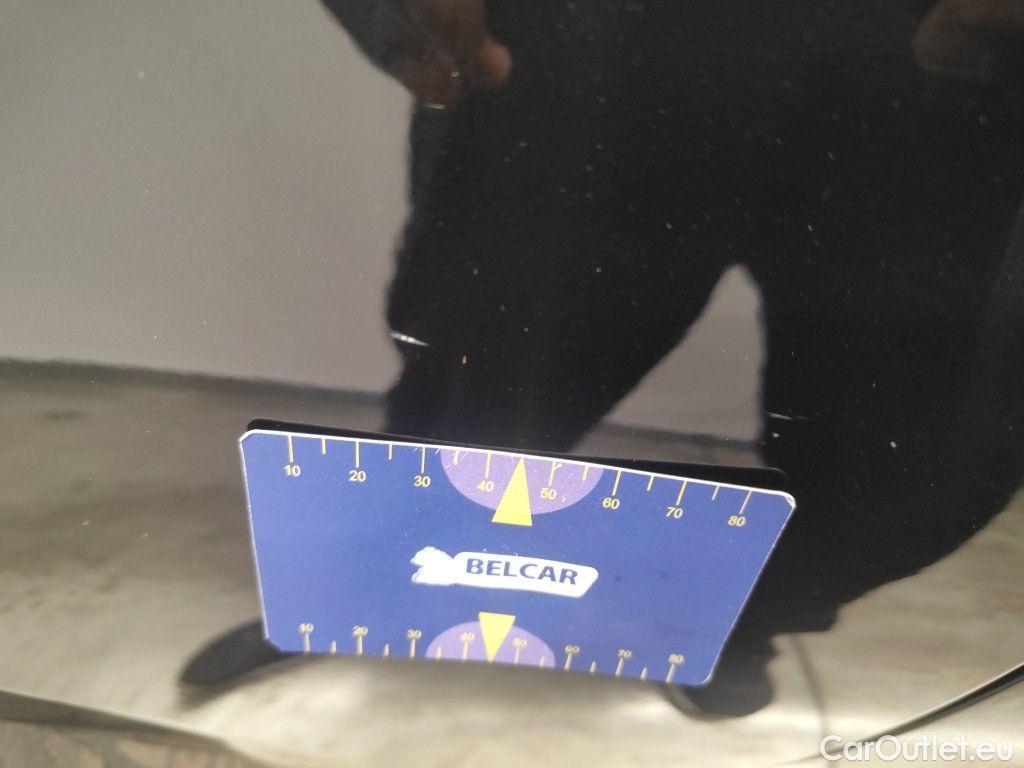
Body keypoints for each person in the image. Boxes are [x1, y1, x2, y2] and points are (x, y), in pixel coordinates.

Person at [317, 0, 1024, 714]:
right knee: (481, 386)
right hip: (599, 35)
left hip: (949, 64)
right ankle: (406, 568)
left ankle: (740, 619)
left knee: (908, 454)